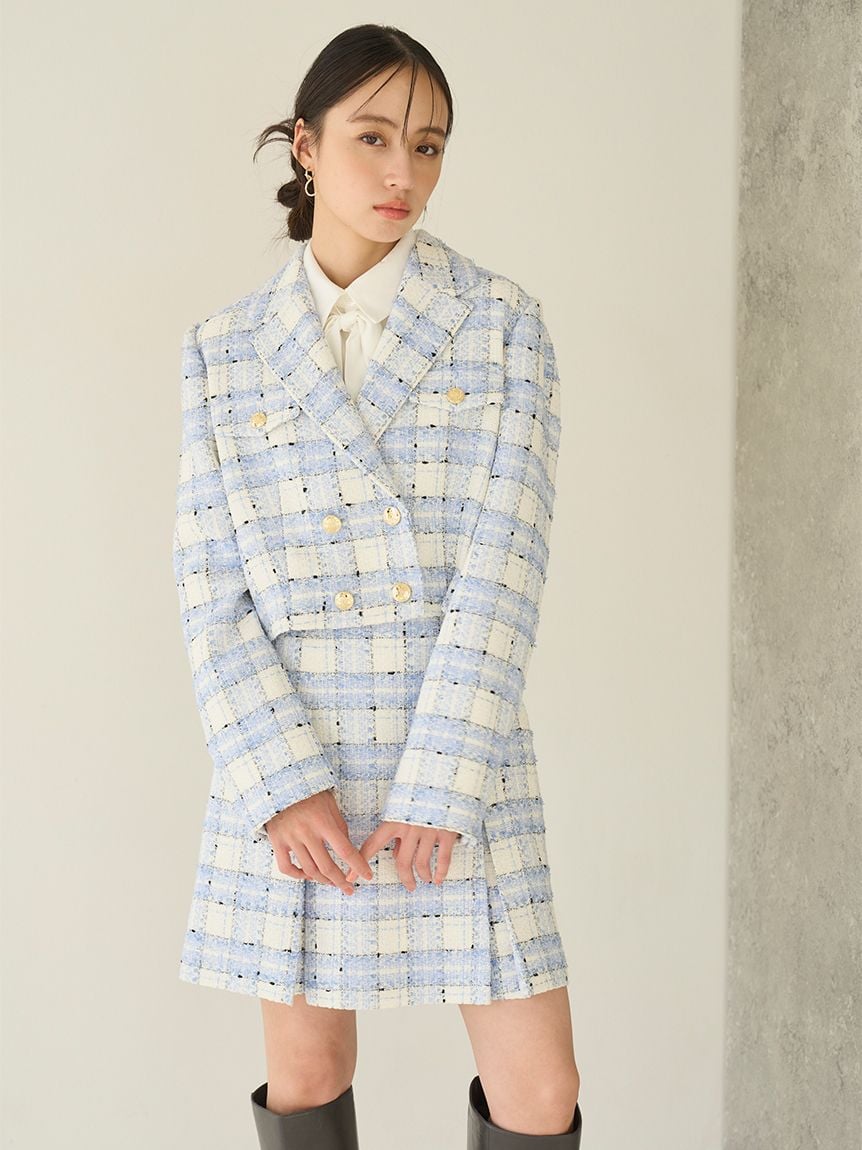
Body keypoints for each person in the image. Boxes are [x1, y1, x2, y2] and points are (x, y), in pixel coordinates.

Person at [172, 22, 583, 1149]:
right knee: (307, 1074)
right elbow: (210, 591)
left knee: (538, 1089)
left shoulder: (501, 324)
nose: (404, 171)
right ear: (306, 147)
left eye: (429, 144)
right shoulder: (223, 350)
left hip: (458, 752)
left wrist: (443, 781)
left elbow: (507, 567)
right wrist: (280, 785)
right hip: (295, 764)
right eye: (373, 137)